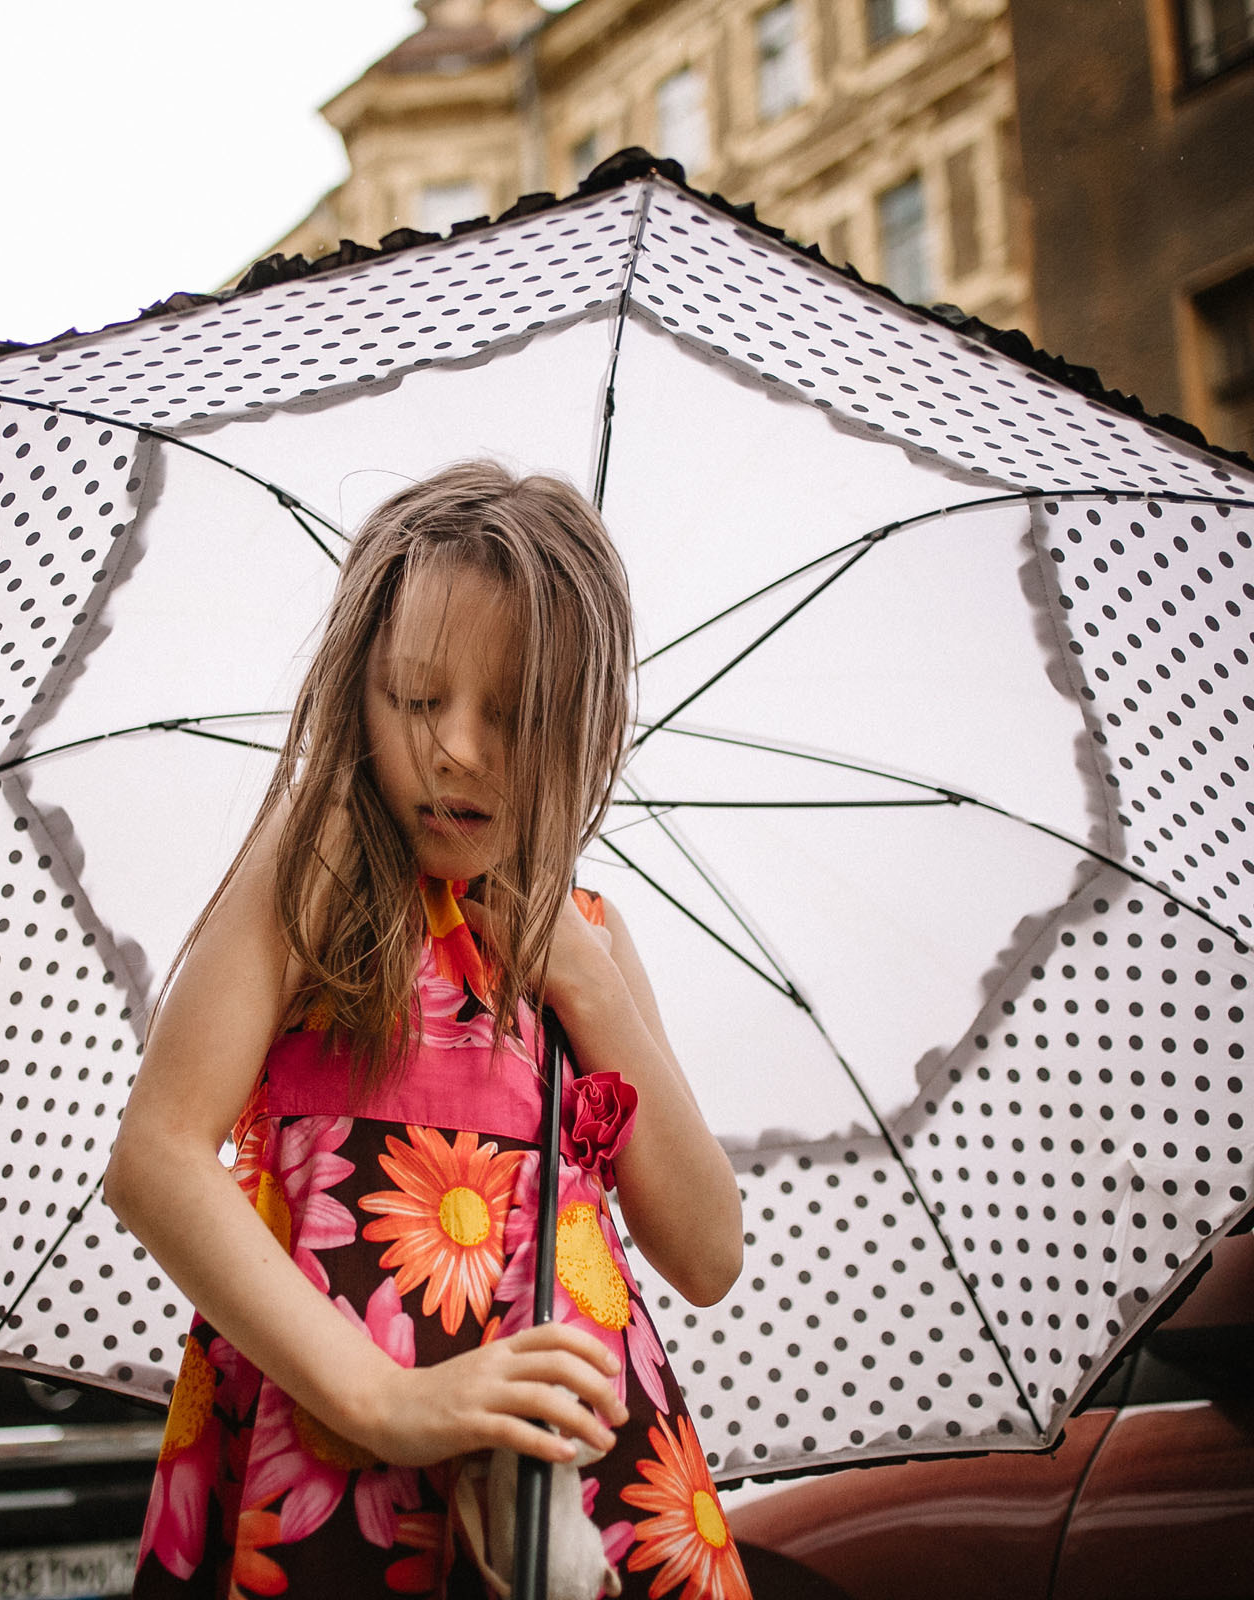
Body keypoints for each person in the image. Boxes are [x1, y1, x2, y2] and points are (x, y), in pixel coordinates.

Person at [104, 462, 751, 1600]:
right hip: (332, 1453)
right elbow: (155, 1158)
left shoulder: (588, 937)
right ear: (358, 691)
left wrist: (586, 987)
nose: (456, 748)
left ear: (585, 732)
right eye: (416, 698)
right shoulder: (316, 876)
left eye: (513, 714)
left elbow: (704, 1251)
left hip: (562, 1480)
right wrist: (384, 1398)